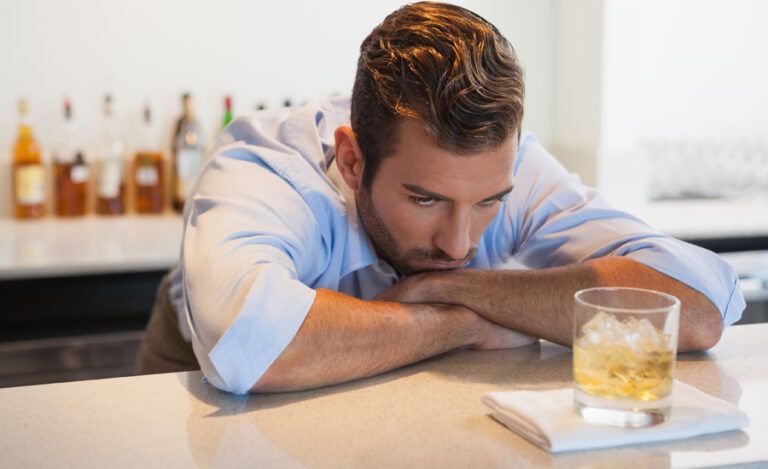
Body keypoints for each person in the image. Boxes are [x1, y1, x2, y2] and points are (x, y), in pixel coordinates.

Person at [138, 2, 745, 394]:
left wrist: (452, 288)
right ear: (353, 160)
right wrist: (460, 325)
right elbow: (255, 346)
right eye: (425, 200)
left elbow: (698, 306)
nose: (460, 242)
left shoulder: (512, 166)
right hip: (195, 368)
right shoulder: (265, 165)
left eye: (488, 203)